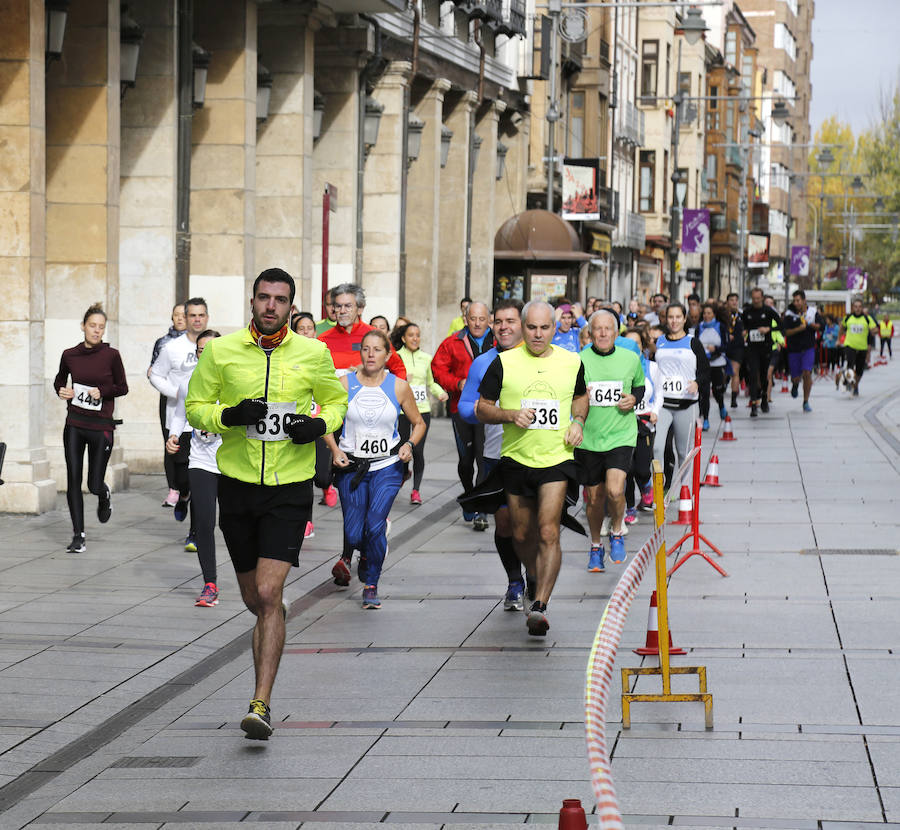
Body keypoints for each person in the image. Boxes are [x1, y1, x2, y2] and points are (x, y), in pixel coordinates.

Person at [185, 268, 347, 740]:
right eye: (263, 298)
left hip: (289, 488)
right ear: (252, 302)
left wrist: (317, 426)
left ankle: (261, 703)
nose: (271, 306)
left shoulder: (313, 353)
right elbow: (196, 407)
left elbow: (336, 402)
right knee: (256, 600)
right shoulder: (221, 351)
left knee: (271, 594)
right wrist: (229, 416)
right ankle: (274, 617)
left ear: (291, 306)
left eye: (280, 299)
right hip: (236, 485)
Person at [476, 301, 588, 636]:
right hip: (515, 458)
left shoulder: (571, 361)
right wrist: (510, 415)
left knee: (549, 530)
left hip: (557, 458)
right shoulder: (504, 362)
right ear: (523, 328)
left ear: (555, 328)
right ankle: (533, 575)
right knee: (521, 534)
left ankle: (539, 605)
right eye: (532, 328)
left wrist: (578, 421)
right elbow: (483, 408)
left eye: (545, 328)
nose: (538, 334)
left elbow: (581, 397)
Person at [326, 330, 424, 609]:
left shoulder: (398, 386)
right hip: (352, 467)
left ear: (388, 355)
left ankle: (371, 584)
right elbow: (326, 422)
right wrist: (335, 450)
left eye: (377, 349)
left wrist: (408, 445)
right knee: (355, 533)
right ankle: (367, 553)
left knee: (374, 525)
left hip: (387, 466)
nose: (371, 354)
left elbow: (419, 423)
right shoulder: (344, 384)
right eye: (366, 349)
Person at [458, 299, 530, 611]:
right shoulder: (484, 362)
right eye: (498, 321)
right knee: (503, 524)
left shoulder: (544, 360)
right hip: (496, 455)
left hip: (537, 455)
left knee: (533, 526)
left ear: (523, 324)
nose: (503, 327)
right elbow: (464, 407)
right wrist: (496, 413)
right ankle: (515, 581)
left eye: (510, 321)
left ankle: (538, 580)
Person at [54, 304, 128, 553]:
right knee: (73, 479)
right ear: (83, 326)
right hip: (75, 423)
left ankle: (103, 493)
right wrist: (62, 391)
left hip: (101, 427)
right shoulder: (69, 355)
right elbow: (59, 380)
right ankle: (78, 535)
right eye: (92, 326)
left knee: (93, 484)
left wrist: (103, 391)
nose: (96, 331)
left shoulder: (112, 355)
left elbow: (122, 387)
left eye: (101, 327)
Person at [577, 309, 645, 571]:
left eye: (608, 328)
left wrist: (634, 399)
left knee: (616, 490)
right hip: (589, 438)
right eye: (598, 328)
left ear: (617, 333)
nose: (603, 333)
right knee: (594, 499)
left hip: (621, 434)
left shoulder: (630, 357)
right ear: (590, 333)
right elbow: (570, 395)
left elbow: (639, 385)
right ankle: (596, 545)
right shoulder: (579, 360)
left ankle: (617, 531)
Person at [165, 330, 222, 606]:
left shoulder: (233, 382)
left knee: (235, 524)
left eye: (211, 349)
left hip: (231, 461)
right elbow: (180, 414)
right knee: (204, 522)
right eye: (201, 350)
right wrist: (173, 435)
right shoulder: (189, 382)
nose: (205, 354)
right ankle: (209, 583)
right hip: (201, 460)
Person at [150, 297, 210, 551]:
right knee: (182, 476)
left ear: (207, 317)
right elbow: (154, 374)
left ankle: (195, 534)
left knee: (199, 479)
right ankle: (182, 495)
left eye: (201, 315)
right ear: (185, 318)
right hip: (178, 419)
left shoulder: (215, 346)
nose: (197, 319)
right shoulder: (172, 347)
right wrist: (175, 393)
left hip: (204, 425)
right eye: (192, 315)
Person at [432, 301, 496, 531]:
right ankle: (469, 495)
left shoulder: (499, 342)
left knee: (484, 458)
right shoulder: (453, 342)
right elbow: (438, 369)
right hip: (462, 409)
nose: (477, 323)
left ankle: (481, 510)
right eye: (473, 319)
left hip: (489, 409)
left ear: (489, 319)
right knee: (466, 461)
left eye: (482, 319)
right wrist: (456, 383)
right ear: (465, 319)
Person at [654, 303, 709, 487]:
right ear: (666, 319)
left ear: (684, 319)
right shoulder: (659, 341)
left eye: (678, 317)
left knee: (682, 452)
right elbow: (653, 368)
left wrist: (697, 383)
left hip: (686, 404)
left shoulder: (693, 342)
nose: (674, 321)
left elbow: (704, 371)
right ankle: (658, 492)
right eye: (671, 317)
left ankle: (685, 492)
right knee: (657, 447)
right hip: (663, 405)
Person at [293, 311, 338, 534]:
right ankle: (306, 521)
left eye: (309, 328)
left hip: (318, 426)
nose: (305, 332)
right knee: (303, 478)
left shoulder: (322, 355)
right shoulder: (288, 357)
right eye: (300, 328)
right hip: (296, 426)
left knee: (320, 476)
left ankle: (328, 484)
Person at [396, 322, 447, 504]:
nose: (415, 338)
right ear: (403, 338)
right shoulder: (396, 357)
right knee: (401, 447)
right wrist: (402, 379)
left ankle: (415, 491)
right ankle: (403, 473)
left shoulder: (426, 358)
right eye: (411, 335)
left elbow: (430, 382)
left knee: (418, 450)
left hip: (422, 409)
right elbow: (389, 379)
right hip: (402, 409)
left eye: (417, 335)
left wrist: (440, 392)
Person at [318, 284, 407, 379]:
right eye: (338, 306)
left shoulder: (376, 336)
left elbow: (398, 369)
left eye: (348, 306)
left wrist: (394, 391)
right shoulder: (323, 340)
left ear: (360, 309)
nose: (342, 311)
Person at [623, 326, 661, 522]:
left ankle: (646, 485)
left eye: (636, 343)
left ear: (642, 345)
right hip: (624, 423)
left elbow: (660, 393)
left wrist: (655, 411)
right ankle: (630, 508)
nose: (632, 347)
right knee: (627, 470)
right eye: (628, 343)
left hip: (646, 424)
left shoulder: (651, 367)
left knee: (642, 469)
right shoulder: (618, 368)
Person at [150, 304, 187, 506]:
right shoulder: (163, 343)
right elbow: (153, 371)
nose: (180, 318)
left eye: (184, 315)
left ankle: (187, 487)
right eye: (176, 315)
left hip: (192, 399)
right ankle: (173, 488)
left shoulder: (199, 342)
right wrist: (173, 391)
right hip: (170, 399)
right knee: (170, 442)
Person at [740, 287, 781, 417]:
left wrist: (768, 329)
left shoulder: (769, 311)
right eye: (754, 299)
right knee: (752, 375)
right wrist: (744, 331)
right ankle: (753, 404)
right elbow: (743, 325)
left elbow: (780, 325)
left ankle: (764, 397)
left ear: (762, 298)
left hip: (766, 347)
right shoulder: (747, 312)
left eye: (758, 298)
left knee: (764, 375)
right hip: (752, 348)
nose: (756, 301)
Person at [783, 290, 824, 413]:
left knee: (807, 373)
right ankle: (795, 385)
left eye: (798, 300)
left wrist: (811, 325)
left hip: (808, 348)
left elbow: (821, 326)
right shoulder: (789, 314)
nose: (796, 303)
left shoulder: (812, 312)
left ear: (804, 300)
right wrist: (799, 329)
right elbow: (786, 332)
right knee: (795, 377)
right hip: (793, 349)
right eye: (794, 300)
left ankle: (805, 401)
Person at [697, 303, 728, 429]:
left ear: (714, 314)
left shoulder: (720, 327)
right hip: (703, 365)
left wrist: (715, 349)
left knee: (717, 390)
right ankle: (705, 419)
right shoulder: (699, 327)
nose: (706, 315)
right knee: (704, 393)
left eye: (709, 313)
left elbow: (727, 346)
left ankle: (721, 406)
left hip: (717, 362)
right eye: (704, 313)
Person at [840, 298, 878, 396]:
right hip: (850, 345)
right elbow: (842, 327)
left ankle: (855, 385)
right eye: (856, 307)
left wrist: (873, 331)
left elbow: (875, 329)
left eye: (859, 307)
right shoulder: (848, 318)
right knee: (850, 365)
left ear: (862, 308)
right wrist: (838, 339)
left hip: (862, 347)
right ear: (853, 307)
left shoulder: (867, 318)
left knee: (860, 370)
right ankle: (849, 381)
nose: (857, 309)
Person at [724, 293, 744, 409]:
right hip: (725, 347)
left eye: (736, 300)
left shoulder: (742, 315)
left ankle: (733, 398)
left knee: (735, 372)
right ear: (727, 302)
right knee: (724, 373)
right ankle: (723, 385)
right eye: (731, 300)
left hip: (738, 347)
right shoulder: (723, 316)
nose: (734, 302)